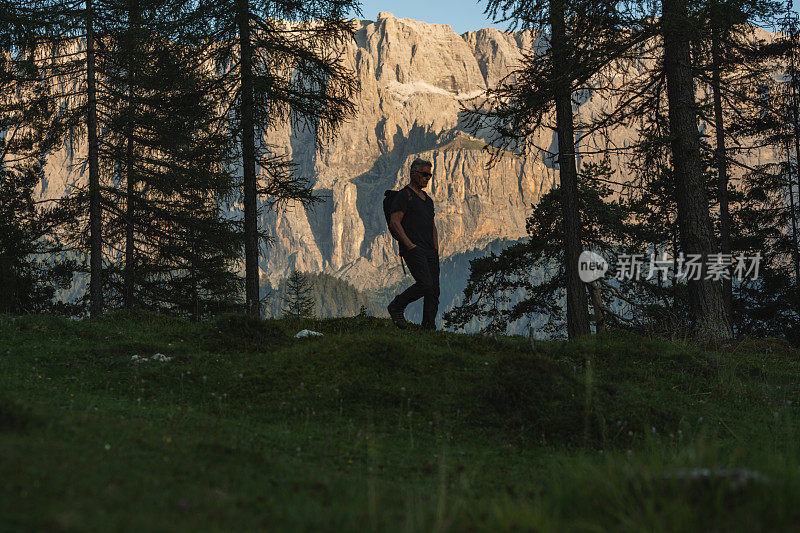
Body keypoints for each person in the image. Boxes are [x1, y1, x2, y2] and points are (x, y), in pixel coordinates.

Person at [387, 158, 439, 330]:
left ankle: (429, 327)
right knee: (425, 284)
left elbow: (432, 225)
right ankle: (396, 306)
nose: (427, 178)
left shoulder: (428, 200)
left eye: (430, 175)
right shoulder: (404, 195)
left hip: (430, 250)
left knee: (434, 290)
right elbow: (394, 222)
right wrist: (409, 245)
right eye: (424, 174)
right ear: (413, 174)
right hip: (414, 249)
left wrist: (436, 248)